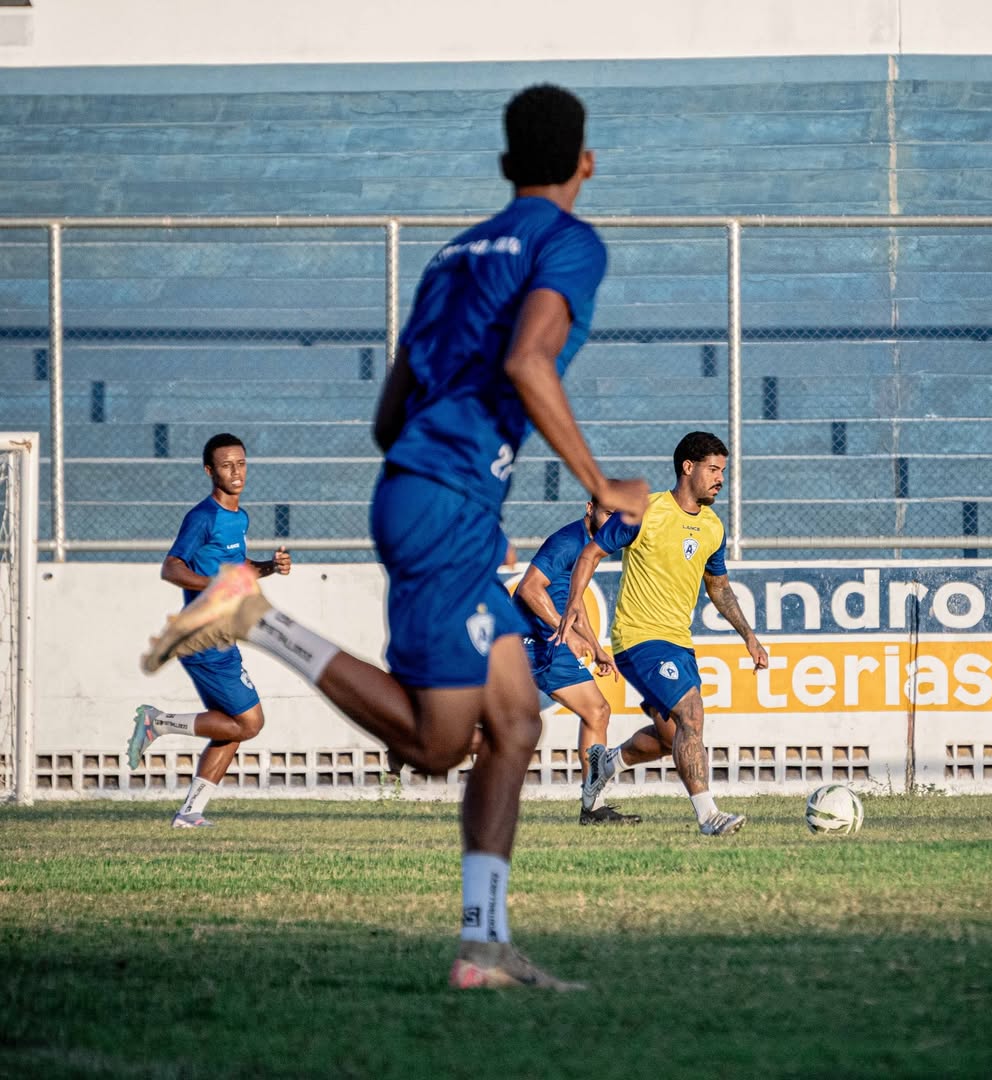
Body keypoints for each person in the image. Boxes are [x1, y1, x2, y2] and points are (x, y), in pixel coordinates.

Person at [139, 84, 649, 990]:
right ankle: (253, 615)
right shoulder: (566, 240)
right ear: (587, 163)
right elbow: (528, 360)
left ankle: (483, 945)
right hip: (448, 507)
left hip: (428, 493)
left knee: (518, 718)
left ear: (503, 167)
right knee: (433, 745)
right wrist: (599, 482)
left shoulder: (451, 257)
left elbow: (389, 413)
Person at [555, 431, 768, 837]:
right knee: (692, 714)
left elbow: (718, 586)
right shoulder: (644, 512)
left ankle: (608, 763)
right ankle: (708, 816)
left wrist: (749, 637)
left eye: (723, 470)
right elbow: (590, 553)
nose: (720, 478)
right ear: (688, 467)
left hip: (678, 641)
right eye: (713, 469)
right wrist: (572, 606)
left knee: (670, 735)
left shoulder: (713, 527)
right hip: (638, 638)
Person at [127, 432, 291, 828]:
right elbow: (173, 568)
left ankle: (190, 813)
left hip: (221, 633)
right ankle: (158, 722)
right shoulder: (202, 516)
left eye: (241, 463)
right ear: (209, 471)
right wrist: (214, 585)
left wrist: (270, 566)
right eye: (226, 465)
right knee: (250, 723)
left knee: (231, 727)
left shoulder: (240, 517)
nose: (236, 472)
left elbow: (236, 568)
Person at [512, 498, 641, 825]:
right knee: (518, 727)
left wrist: (596, 648)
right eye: (609, 513)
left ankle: (592, 807)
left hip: (547, 644)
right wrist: (564, 631)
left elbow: (574, 602)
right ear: (589, 508)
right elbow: (529, 588)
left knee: (596, 711)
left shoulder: (592, 545)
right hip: (528, 645)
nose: (614, 521)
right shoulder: (568, 542)